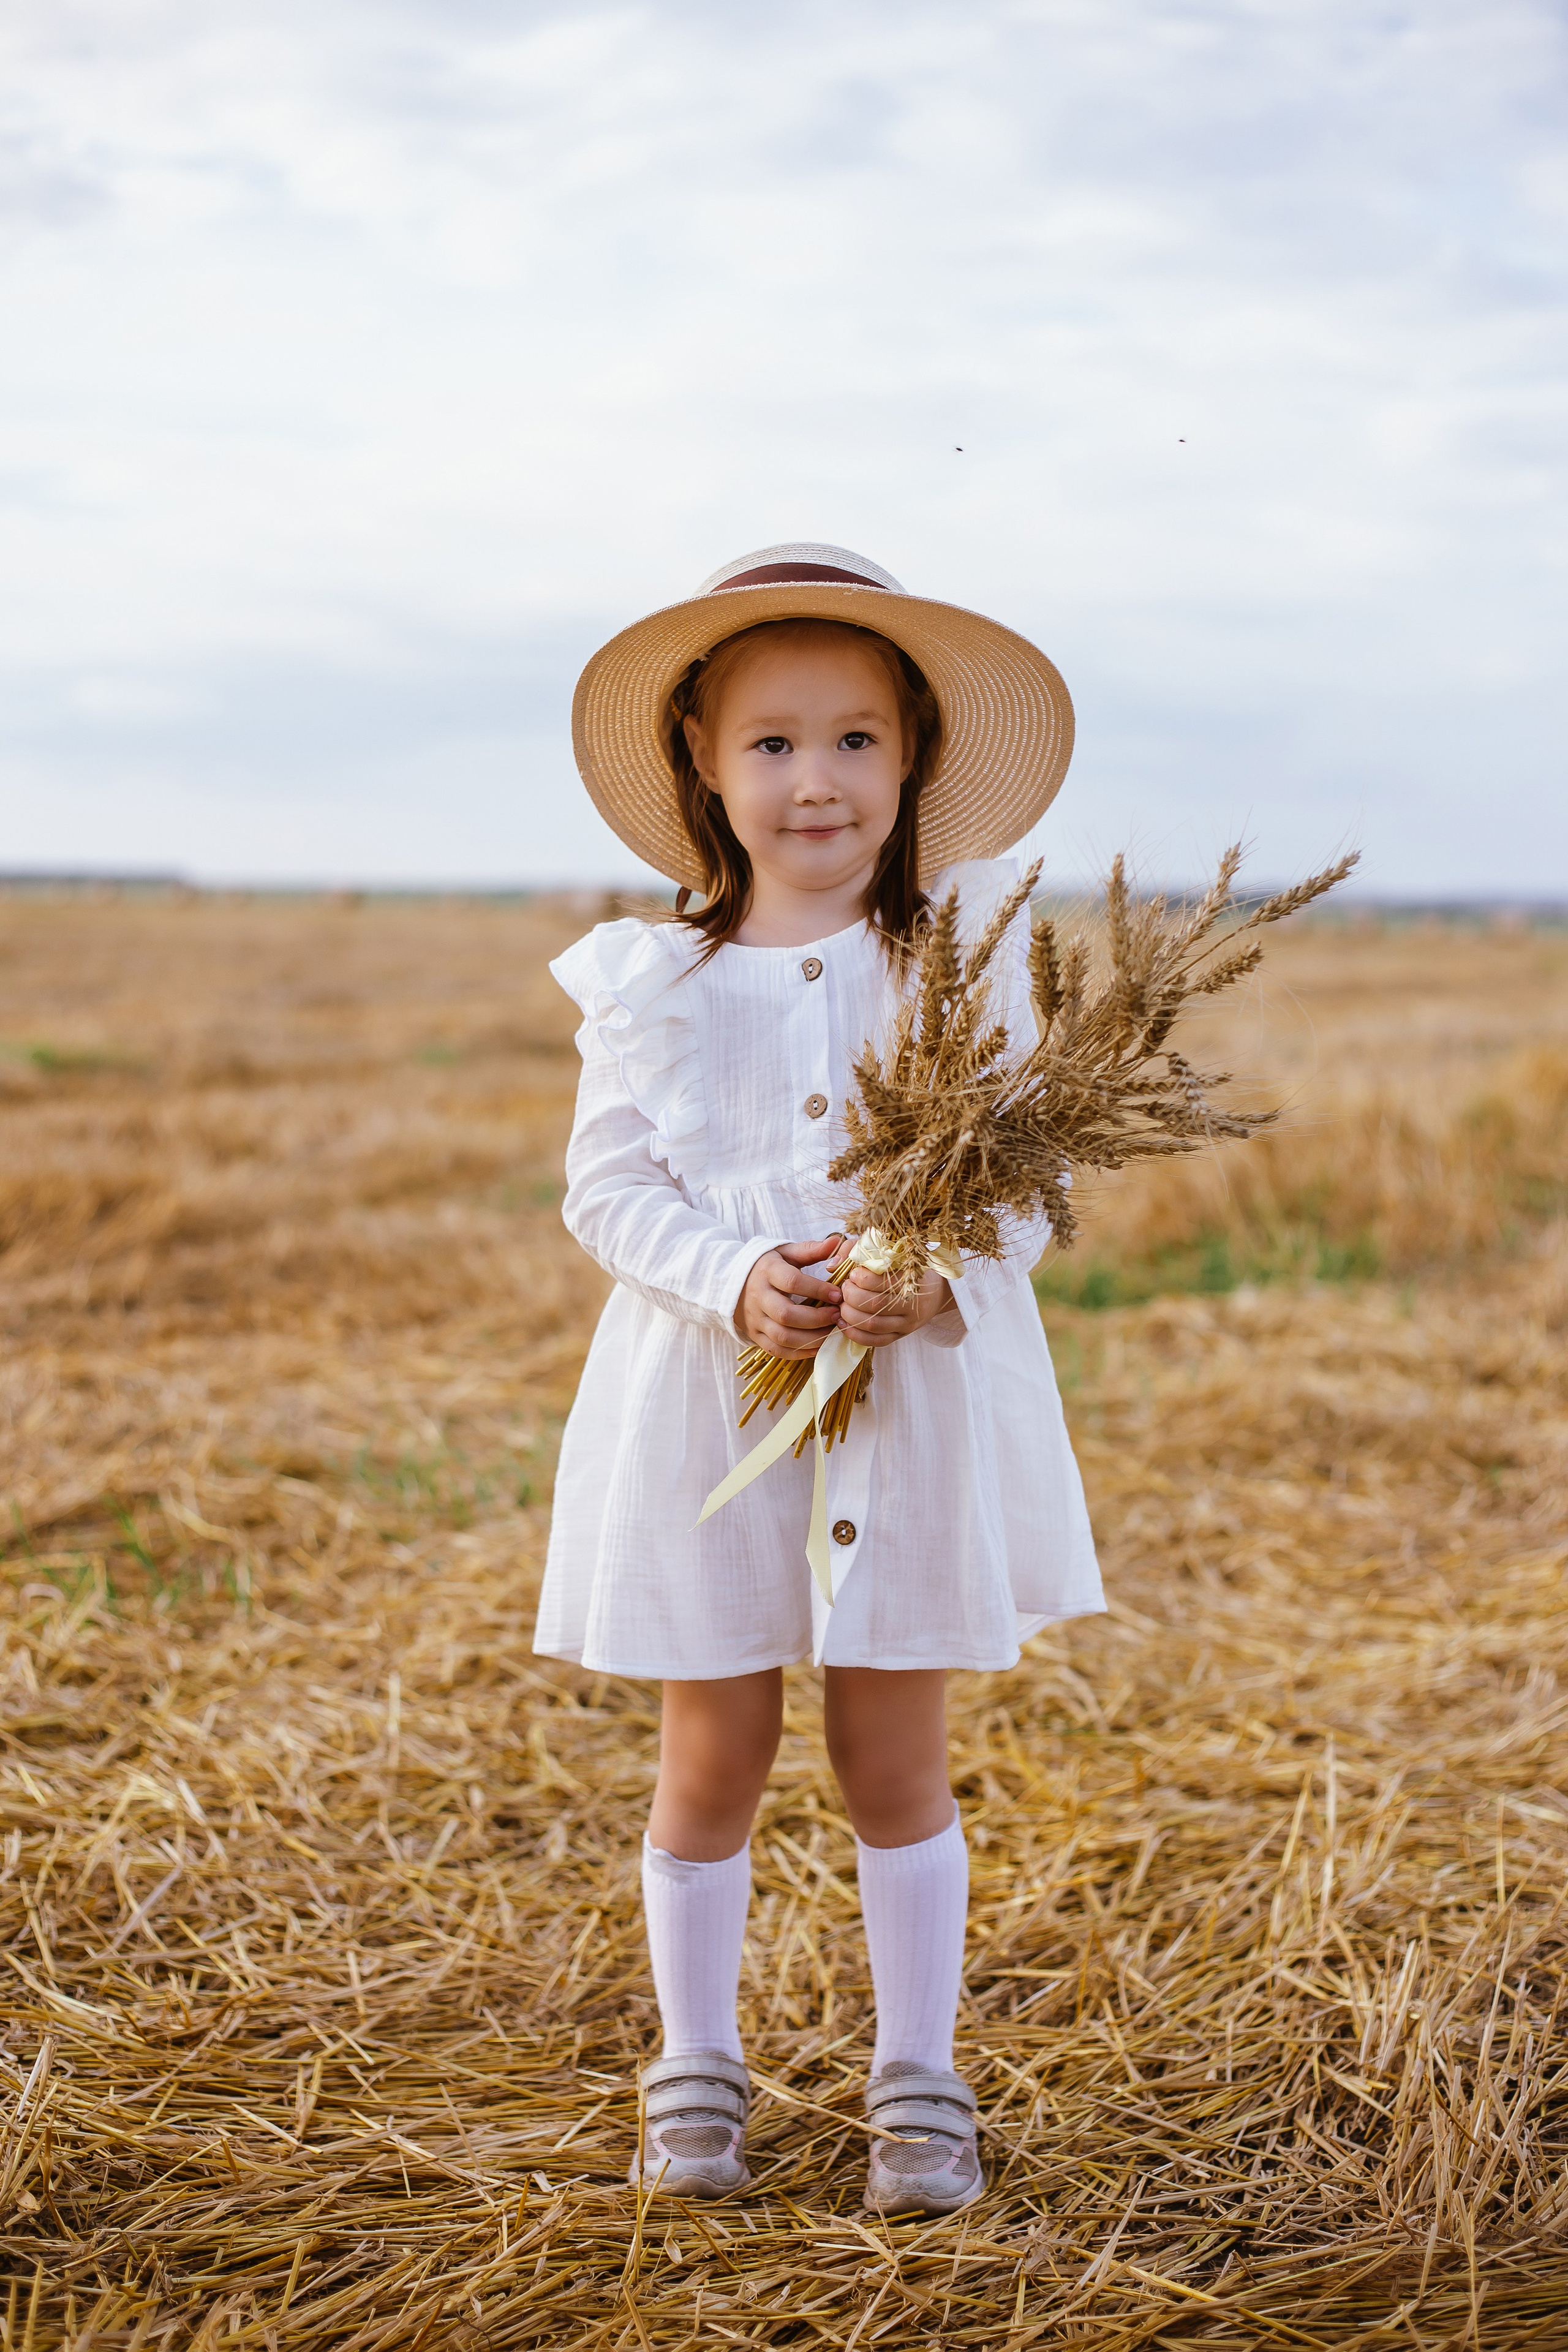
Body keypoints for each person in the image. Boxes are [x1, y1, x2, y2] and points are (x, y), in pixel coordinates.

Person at [537, 544, 1103, 2214]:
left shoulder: (966, 970)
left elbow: (1025, 1183)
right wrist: (733, 1278)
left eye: (855, 738)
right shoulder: (652, 982)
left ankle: (916, 2075)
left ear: (915, 758)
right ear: (703, 764)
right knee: (711, 1751)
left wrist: (933, 1265)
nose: (816, 779)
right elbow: (607, 1190)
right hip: (701, 1401)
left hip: (910, 1407)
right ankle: (693, 2062)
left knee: (890, 1757)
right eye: (773, 742)